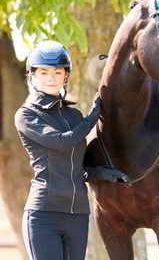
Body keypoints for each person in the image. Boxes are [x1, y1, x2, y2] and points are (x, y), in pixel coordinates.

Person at [14, 40, 129, 260]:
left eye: (57, 72)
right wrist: (92, 119)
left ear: (65, 76)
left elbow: (76, 167)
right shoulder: (27, 115)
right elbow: (61, 142)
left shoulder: (73, 116)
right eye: (44, 72)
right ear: (33, 76)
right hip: (43, 215)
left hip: (77, 215)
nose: (51, 78)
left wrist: (103, 173)